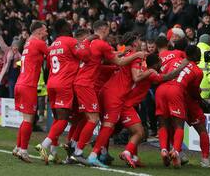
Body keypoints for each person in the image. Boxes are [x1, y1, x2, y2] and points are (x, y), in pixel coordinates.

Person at [71, 21, 146, 164]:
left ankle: (86, 149)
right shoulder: (133, 55)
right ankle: (84, 152)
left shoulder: (92, 43)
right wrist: (147, 69)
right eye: (139, 41)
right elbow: (125, 67)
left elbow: (113, 58)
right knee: (102, 123)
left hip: (103, 90)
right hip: (113, 95)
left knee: (97, 122)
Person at [35, 20, 91, 165]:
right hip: (64, 84)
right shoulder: (70, 41)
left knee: (57, 119)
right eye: (68, 25)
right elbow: (85, 56)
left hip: (52, 83)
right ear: (65, 28)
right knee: (64, 120)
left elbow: (47, 67)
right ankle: (44, 145)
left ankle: (53, 153)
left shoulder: (53, 44)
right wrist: (86, 42)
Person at [12, 21, 49, 163]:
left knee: (25, 119)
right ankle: (23, 150)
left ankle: (17, 147)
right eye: (45, 30)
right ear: (39, 31)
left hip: (20, 83)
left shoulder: (28, 42)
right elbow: (52, 53)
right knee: (29, 120)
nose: (47, 32)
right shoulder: (38, 42)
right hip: (28, 86)